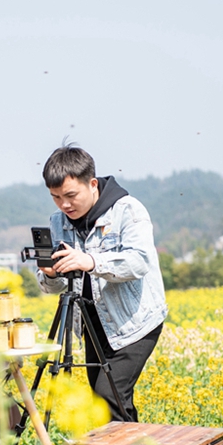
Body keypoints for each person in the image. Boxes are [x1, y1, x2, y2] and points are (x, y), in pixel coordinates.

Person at [36, 144, 167, 423]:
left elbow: (140, 261)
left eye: (71, 195)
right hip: (93, 325)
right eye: (56, 197)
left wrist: (91, 261)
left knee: (108, 396)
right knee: (109, 403)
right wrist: (50, 274)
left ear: (92, 184)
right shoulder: (58, 222)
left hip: (134, 323)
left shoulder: (127, 210)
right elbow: (56, 287)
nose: (64, 205)